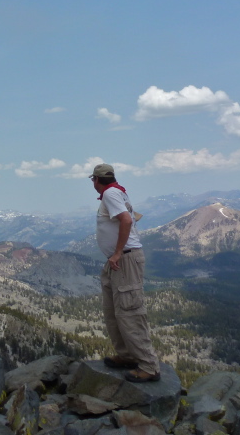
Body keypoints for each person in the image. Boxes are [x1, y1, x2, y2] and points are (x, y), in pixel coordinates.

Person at [90, 163, 161, 383]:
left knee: (130, 312)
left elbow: (127, 220)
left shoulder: (110, 194)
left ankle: (149, 366)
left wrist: (118, 252)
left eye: (93, 179)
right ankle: (128, 355)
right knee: (114, 312)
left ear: (96, 180)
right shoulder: (117, 191)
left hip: (125, 260)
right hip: (118, 261)